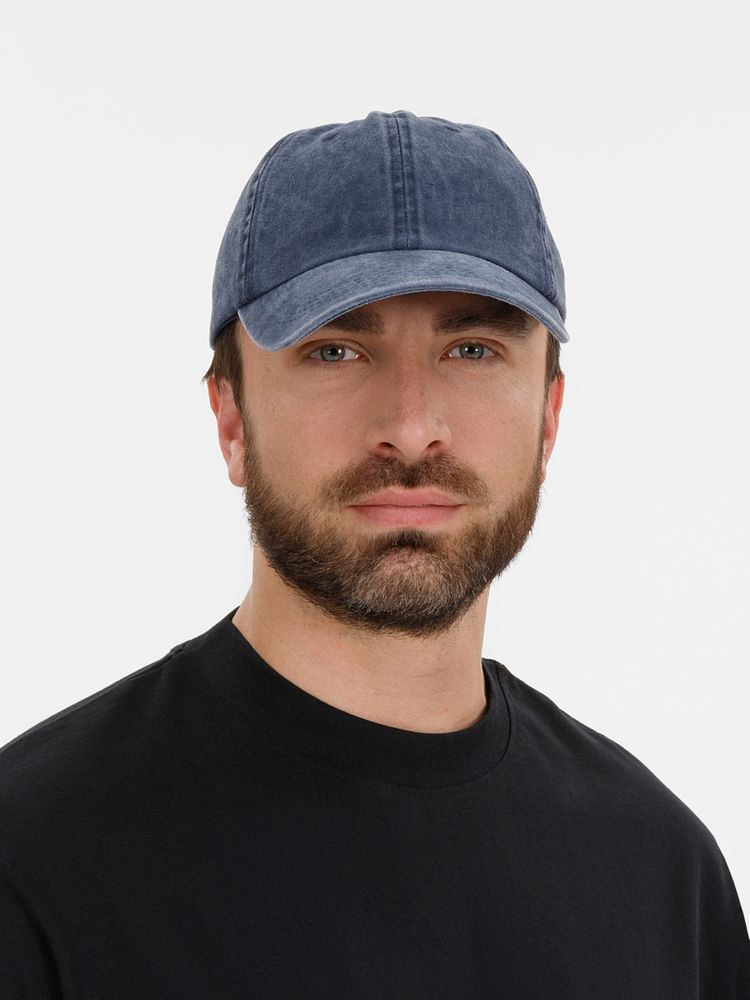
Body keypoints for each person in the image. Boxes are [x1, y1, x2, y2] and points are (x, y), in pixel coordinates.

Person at [1, 110, 748, 999]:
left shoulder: (662, 876)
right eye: (336, 350)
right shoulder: (34, 860)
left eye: (471, 348)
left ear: (548, 419)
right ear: (231, 418)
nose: (411, 427)